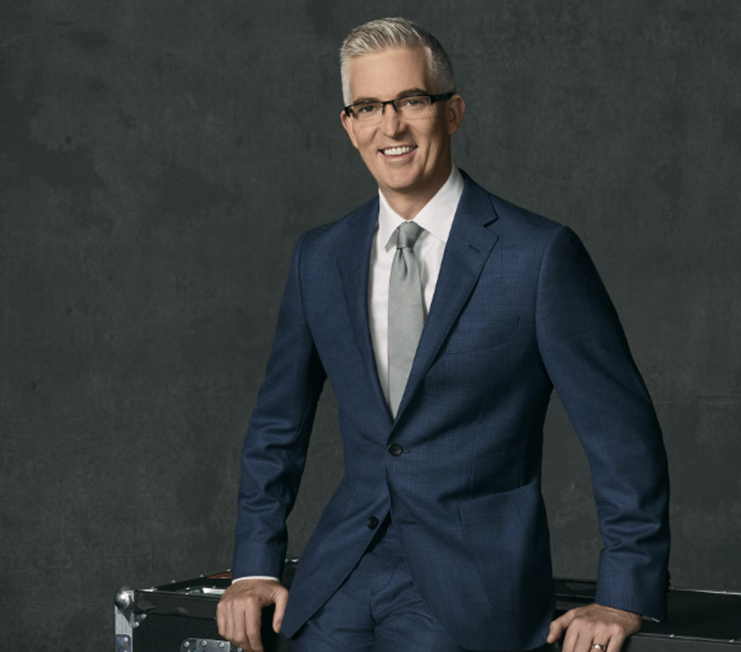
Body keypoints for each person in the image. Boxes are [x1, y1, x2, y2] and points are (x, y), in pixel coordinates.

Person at [216, 17, 670, 652]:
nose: (392, 126)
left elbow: (622, 433)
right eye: (369, 107)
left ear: (452, 112)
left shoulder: (538, 256)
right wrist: (256, 565)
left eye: (412, 101)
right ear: (349, 127)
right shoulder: (319, 257)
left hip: (473, 587)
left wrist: (625, 594)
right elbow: (277, 427)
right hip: (339, 575)